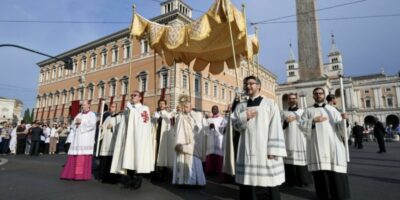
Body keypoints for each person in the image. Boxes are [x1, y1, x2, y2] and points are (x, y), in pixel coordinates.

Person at [232, 76, 286, 200]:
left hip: (264, 149)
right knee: (248, 183)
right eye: (246, 84)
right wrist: (244, 116)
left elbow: (276, 127)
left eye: (251, 83)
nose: (248, 86)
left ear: (259, 86)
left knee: (267, 181)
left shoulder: (270, 104)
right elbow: (235, 125)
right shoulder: (241, 106)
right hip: (246, 147)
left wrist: (273, 150)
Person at [300, 87, 350, 200]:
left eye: (320, 93)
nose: (318, 95)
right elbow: (301, 126)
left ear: (324, 95)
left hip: (333, 146)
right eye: (316, 93)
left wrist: (344, 121)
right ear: (313, 96)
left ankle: (339, 196)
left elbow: (342, 130)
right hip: (316, 146)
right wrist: (313, 121)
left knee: (335, 174)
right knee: (320, 175)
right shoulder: (308, 111)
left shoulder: (332, 110)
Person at [111, 91, 154, 189]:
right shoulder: (129, 108)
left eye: (135, 95)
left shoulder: (144, 108)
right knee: (129, 157)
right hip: (129, 138)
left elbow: (143, 122)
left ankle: (138, 182)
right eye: (132, 95)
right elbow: (124, 122)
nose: (132, 97)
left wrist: (131, 109)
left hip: (139, 138)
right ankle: (129, 180)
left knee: (138, 158)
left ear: (140, 98)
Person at [60, 100, 97, 181]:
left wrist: (81, 123)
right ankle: (71, 174)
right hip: (77, 139)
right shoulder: (78, 114)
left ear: (89, 106)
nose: (83, 106)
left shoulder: (92, 115)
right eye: (82, 105)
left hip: (85, 139)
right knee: (74, 155)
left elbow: (92, 125)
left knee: (82, 156)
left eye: (84, 105)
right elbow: (73, 126)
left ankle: (80, 175)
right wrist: (76, 123)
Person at [281, 93, 312, 187]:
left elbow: (308, 124)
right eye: (290, 99)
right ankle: (290, 180)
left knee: (301, 160)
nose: (292, 100)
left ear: (297, 100)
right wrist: (286, 121)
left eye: (294, 98)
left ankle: (303, 180)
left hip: (300, 138)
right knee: (289, 161)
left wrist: (298, 118)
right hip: (288, 138)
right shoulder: (283, 112)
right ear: (288, 101)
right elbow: (279, 125)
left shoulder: (302, 112)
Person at [172, 101, 206, 186]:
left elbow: (198, 128)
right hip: (181, 142)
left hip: (192, 143)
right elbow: (177, 129)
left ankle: (193, 181)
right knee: (182, 160)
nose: (184, 108)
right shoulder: (180, 116)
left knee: (193, 162)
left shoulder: (195, 116)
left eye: (187, 107)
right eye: (183, 106)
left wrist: (192, 118)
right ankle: (181, 181)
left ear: (190, 108)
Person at [152, 99, 174, 181]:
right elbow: (154, 121)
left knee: (164, 153)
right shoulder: (155, 113)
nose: (161, 105)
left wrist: (166, 112)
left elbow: (170, 120)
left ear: (165, 105)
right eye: (160, 104)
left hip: (165, 137)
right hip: (157, 135)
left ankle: (165, 172)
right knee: (156, 153)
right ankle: (157, 172)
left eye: (163, 104)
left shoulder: (168, 113)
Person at [98, 103, 120, 183]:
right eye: (111, 107)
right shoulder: (107, 117)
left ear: (116, 108)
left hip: (113, 141)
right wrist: (101, 128)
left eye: (113, 107)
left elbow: (121, 129)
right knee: (104, 159)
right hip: (106, 141)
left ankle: (112, 177)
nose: (111, 108)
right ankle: (103, 176)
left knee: (111, 160)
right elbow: (103, 128)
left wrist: (113, 127)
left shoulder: (119, 117)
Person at [204, 105, 226, 176]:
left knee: (218, 153)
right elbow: (205, 129)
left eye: (215, 109)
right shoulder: (209, 119)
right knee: (211, 153)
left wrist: (215, 127)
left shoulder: (222, 119)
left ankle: (218, 170)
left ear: (218, 110)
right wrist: (209, 127)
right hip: (211, 138)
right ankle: (210, 169)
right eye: (213, 109)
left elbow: (223, 128)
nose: (214, 110)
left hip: (218, 138)